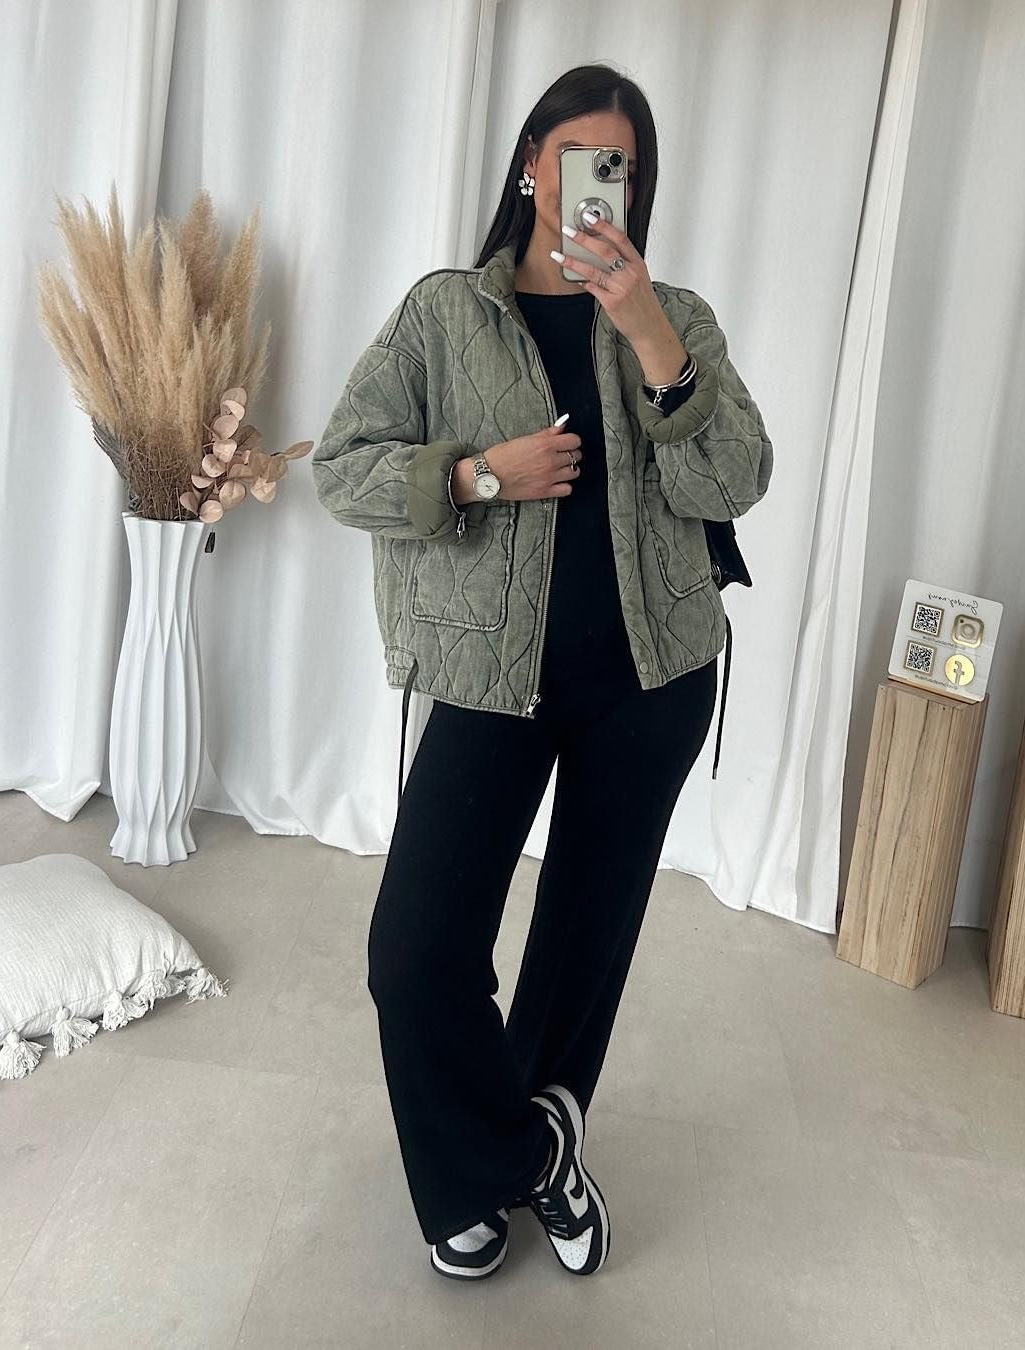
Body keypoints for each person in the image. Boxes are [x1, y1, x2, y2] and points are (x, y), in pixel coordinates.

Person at [312, 62, 773, 1282]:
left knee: (581, 943)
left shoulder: (675, 317)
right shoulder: (442, 315)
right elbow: (342, 467)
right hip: (488, 677)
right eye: (576, 158)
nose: (594, 185)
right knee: (415, 952)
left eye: (620, 167)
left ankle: (511, 1151)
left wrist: (651, 335)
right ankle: (522, 1159)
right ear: (530, 164)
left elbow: (735, 479)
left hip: (650, 679)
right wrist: (477, 474)